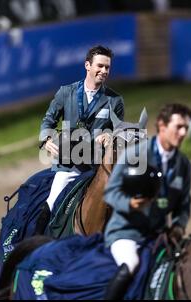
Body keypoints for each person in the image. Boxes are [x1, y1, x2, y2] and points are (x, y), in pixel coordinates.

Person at [102, 103, 191, 300]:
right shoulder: (134, 154)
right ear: (162, 126)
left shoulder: (184, 164)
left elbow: (183, 204)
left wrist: (179, 225)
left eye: (186, 127)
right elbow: (110, 192)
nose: (184, 132)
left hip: (159, 235)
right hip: (126, 233)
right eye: (179, 127)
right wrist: (129, 204)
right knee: (131, 264)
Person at [36, 45, 125, 233]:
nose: (104, 71)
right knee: (50, 205)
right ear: (87, 65)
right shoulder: (65, 93)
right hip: (68, 166)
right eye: (100, 66)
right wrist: (46, 140)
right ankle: (38, 245)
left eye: (107, 67)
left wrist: (109, 136)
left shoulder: (115, 101)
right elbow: (48, 121)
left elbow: (118, 134)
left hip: (96, 167)